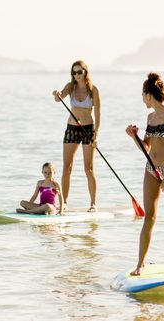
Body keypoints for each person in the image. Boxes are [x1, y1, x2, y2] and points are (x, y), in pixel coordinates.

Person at [125, 72, 164, 276]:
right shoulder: (150, 117)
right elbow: (146, 146)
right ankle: (140, 265)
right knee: (149, 218)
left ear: (149, 95)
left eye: (143, 95)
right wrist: (133, 136)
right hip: (150, 171)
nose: (142, 99)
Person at [51, 60, 101, 213]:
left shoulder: (93, 90)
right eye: (74, 72)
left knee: (89, 168)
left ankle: (93, 204)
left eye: (79, 72)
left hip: (88, 129)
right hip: (72, 129)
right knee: (67, 167)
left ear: (85, 72)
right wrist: (57, 95)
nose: (76, 75)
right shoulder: (70, 86)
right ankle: (64, 202)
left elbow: (98, 113)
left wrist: (96, 135)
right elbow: (59, 98)